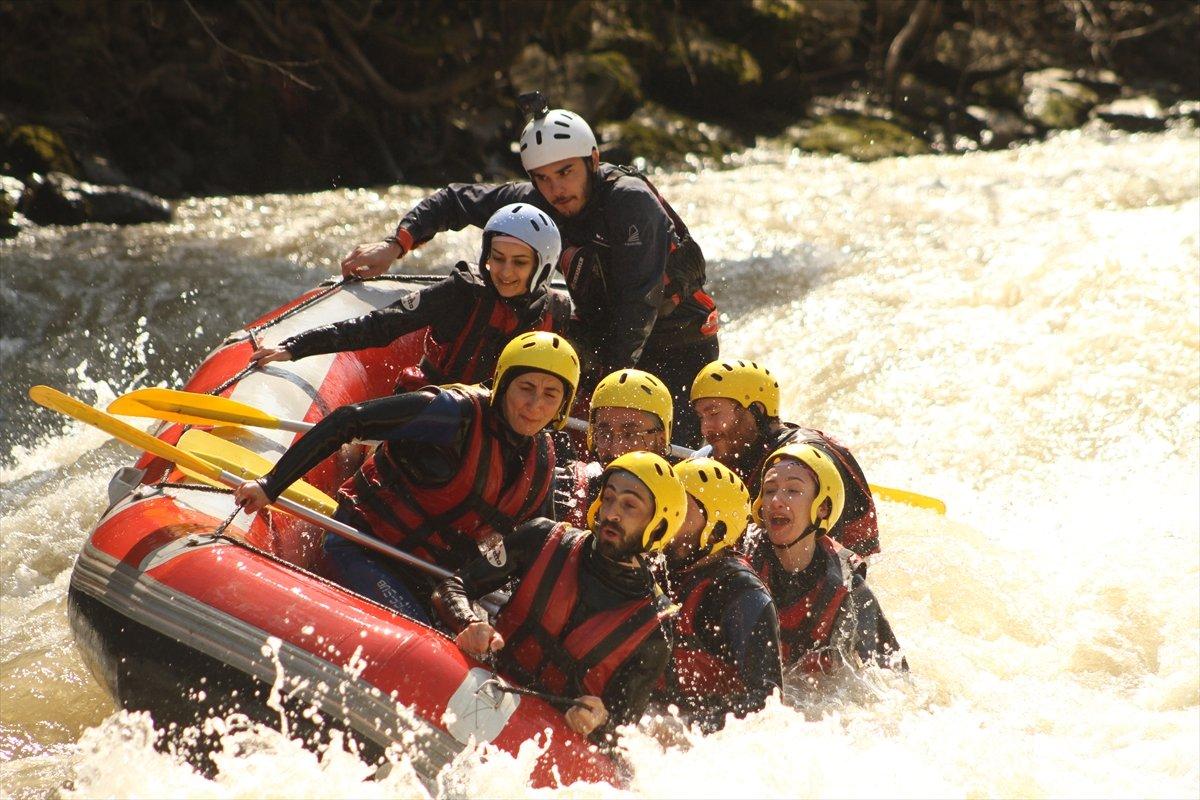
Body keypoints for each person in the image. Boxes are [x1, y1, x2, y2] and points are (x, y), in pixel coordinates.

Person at [338, 93, 719, 447]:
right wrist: (395, 245)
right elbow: (454, 200)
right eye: (543, 177)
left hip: (678, 343)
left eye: (566, 172)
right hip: (604, 338)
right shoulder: (536, 200)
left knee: (669, 448)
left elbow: (640, 302)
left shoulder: (629, 202)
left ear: (593, 160)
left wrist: (609, 390)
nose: (557, 188)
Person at [233, 331, 580, 624]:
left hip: (432, 579)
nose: (535, 404)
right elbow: (348, 420)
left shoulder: (542, 459)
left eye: (551, 394)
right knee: (418, 632)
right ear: (504, 384)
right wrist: (270, 485)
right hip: (364, 547)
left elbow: (537, 551)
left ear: (564, 405)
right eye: (526, 388)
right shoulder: (453, 414)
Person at [430, 452, 686, 743]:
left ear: (659, 526)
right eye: (609, 497)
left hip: (543, 740)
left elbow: (622, 729)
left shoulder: (656, 628)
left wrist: (601, 719)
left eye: (629, 506)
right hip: (482, 687)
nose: (611, 513)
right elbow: (452, 588)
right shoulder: (541, 537)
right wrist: (469, 621)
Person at [249, 203, 572, 392]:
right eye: (497, 257)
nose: (503, 271)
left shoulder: (555, 312)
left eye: (519, 263)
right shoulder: (462, 293)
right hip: (436, 410)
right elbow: (382, 325)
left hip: (507, 425)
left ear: (542, 267)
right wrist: (296, 347)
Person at [690, 359, 880, 561]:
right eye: (701, 417)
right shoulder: (729, 453)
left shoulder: (802, 462)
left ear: (757, 410)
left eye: (714, 413)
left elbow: (809, 559)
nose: (705, 429)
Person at [745, 444, 905, 674]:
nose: (776, 501)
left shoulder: (849, 586)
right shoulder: (741, 555)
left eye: (792, 490)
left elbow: (892, 673)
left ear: (822, 507)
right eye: (769, 491)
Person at [655, 458, 781, 733]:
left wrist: (679, 728)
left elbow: (766, 706)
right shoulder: (653, 565)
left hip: (698, 737)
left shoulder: (743, 595)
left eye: (681, 508)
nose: (667, 515)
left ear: (716, 532)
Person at [553, 368, 674, 527]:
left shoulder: (682, 507)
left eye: (631, 435)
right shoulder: (567, 490)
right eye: (604, 433)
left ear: (661, 439)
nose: (615, 449)